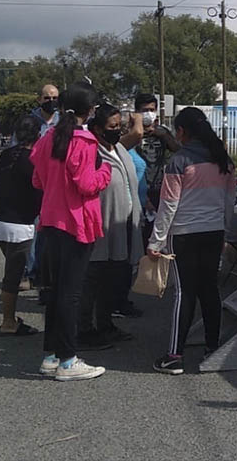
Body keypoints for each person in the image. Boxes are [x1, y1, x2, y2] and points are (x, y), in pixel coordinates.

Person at [30, 85, 112, 382]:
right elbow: (87, 184)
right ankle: (67, 360)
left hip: (50, 221)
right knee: (71, 294)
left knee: (54, 292)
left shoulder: (49, 137)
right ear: (89, 111)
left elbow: (37, 179)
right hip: (77, 223)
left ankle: (52, 355)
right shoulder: (85, 141)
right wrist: (105, 173)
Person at [147, 106, 237, 375]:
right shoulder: (224, 160)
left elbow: (168, 206)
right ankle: (212, 346)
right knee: (210, 289)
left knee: (184, 292)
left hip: (184, 234)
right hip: (214, 231)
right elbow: (229, 202)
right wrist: (225, 231)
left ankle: (174, 355)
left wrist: (156, 241)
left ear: (183, 132)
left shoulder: (179, 161)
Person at [78, 105, 144, 347]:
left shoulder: (118, 149)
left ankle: (105, 325)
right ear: (97, 129)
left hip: (123, 224)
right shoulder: (91, 151)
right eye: (111, 127)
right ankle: (84, 330)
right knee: (92, 281)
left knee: (111, 281)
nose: (116, 131)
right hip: (100, 226)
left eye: (119, 126)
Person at [0, 114, 43, 336]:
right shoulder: (34, 160)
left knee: (15, 272)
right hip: (19, 226)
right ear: (38, 135)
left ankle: (10, 318)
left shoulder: (6, 155)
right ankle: (8, 322)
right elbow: (39, 194)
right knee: (13, 275)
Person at [24, 82, 61, 286]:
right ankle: (31, 271)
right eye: (47, 98)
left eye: (55, 97)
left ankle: (45, 272)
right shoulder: (30, 121)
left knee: (49, 232)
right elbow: (19, 147)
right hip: (34, 182)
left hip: (54, 184)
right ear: (39, 99)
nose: (51, 101)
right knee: (33, 230)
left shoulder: (62, 122)